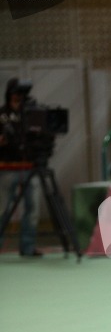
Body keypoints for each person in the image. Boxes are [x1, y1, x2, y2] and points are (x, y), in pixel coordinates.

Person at [0, 78, 42, 257]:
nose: (18, 97)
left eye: (21, 94)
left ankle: (27, 247)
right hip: (7, 168)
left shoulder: (31, 114)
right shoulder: (1, 114)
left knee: (33, 208)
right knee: (2, 210)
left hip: (30, 168)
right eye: (15, 93)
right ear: (9, 94)